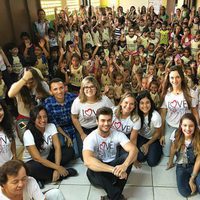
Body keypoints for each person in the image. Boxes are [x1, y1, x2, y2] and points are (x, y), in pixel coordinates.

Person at [83, 107, 138, 200]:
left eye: (109, 120)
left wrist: (124, 165)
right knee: (92, 166)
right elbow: (87, 161)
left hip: (114, 167)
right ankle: (117, 196)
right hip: (99, 174)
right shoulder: (91, 138)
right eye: (102, 120)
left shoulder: (117, 134)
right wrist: (113, 170)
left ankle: (112, 196)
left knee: (128, 157)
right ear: (97, 121)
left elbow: (134, 150)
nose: (106, 123)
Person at [23, 105, 77, 186]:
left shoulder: (51, 126)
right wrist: (58, 168)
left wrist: (57, 167)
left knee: (69, 151)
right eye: (39, 117)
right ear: (33, 119)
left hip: (47, 157)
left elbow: (57, 147)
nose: (43, 120)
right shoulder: (28, 133)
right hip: (34, 162)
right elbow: (38, 158)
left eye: (45, 117)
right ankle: (64, 173)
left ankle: (42, 178)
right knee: (29, 169)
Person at [160, 66, 199, 156]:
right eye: (172, 77)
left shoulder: (191, 93)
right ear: (169, 79)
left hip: (186, 127)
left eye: (177, 77)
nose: (175, 80)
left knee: (188, 151)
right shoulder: (166, 94)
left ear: (181, 77)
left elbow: (194, 111)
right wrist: (162, 134)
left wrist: (197, 127)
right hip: (171, 125)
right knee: (167, 153)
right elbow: (162, 115)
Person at [71, 76, 114, 158]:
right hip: (83, 128)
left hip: (99, 127)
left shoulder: (104, 99)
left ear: (96, 87)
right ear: (82, 89)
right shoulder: (77, 101)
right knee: (85, 157)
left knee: (103, 153)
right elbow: (74, 117)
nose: (89, 89)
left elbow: (113, 112)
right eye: (86, 87)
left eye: (92, 86)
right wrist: (82, 134)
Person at [8, 68, 50, 142]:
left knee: (42, 140)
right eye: (26, 83)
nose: (28, 85)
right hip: (23, 120)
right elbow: (10, 94)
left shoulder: (42, 85)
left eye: (31, 82)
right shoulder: (18, 86)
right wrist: (24, 78)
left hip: (39, 118)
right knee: (27, 139)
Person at [167, 113, 200, 197]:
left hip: (195, 165)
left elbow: (198, 160)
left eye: (191, 126)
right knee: (185, 192)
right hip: (182, 165)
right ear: (181, 125)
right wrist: (170, 161)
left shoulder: (198, 137)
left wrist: (192, 179)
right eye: (185, 125)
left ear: (195, 126)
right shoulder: (176, 133)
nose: (188, 129)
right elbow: (173, 148)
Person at [43, 78, 79, 156]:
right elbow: (54, 124)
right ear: (50, 91)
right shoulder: (48, 103)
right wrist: (66, 136)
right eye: (55, 89)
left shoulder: (73, 97)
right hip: (59, 129)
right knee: (62, 145)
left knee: (76, 154)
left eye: (61, 88)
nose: (59, 91)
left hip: (74, 127)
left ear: (65, 88)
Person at [0, 160, 66, 200]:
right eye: (15, 182)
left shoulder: (30, 181)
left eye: (23, 178)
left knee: (55, 193)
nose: (21, 184)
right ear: (3, 184)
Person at [136, 91, 162, 167]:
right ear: (138, 104)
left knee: (152, 162)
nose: (145, 105)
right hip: (141, 137)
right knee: (140, 158)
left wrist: (147, 145)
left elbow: (158, 133)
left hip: (153, 138)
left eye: (147, 102)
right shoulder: (136, 114)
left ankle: (157, 148)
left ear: (151, 103)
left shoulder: (155, 116)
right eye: (142, 103)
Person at [0, 100, 16, 166]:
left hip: (11, 166)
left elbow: (12, 142)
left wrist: (15, 158)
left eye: (0, 109)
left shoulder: (7, 126)